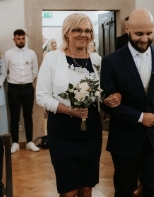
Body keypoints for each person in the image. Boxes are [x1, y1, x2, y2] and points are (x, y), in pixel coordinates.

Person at [97, 9, 154, 197]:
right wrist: (139, 117)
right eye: (139, 34)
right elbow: (106, 102)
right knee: (124, 190)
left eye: (149, 33)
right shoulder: (112, 61)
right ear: (127, 29)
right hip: (125, 139)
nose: (144, 38)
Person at [36, 13, 105, 197]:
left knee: (86, 187)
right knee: (68, 190)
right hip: (62, 129)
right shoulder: (52, 58)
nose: (84, 34)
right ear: (67, 32)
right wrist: (68, 110)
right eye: (78, 30)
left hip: (90, 128)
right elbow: (42, 96)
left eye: (88, 30)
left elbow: (104, 92)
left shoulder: (97, 60)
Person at [3, 29, 40, 153]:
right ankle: (15, 143)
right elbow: (5, 71)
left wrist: (27, 80)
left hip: (28, 88)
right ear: (14, 39)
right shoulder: (8, 54)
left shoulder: (31, 53)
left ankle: (29, 142)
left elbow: (35, 70)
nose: (21, 41)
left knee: (28, 115)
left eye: (23, 38)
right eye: (18, 39)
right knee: (14, 116)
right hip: (13, 88)